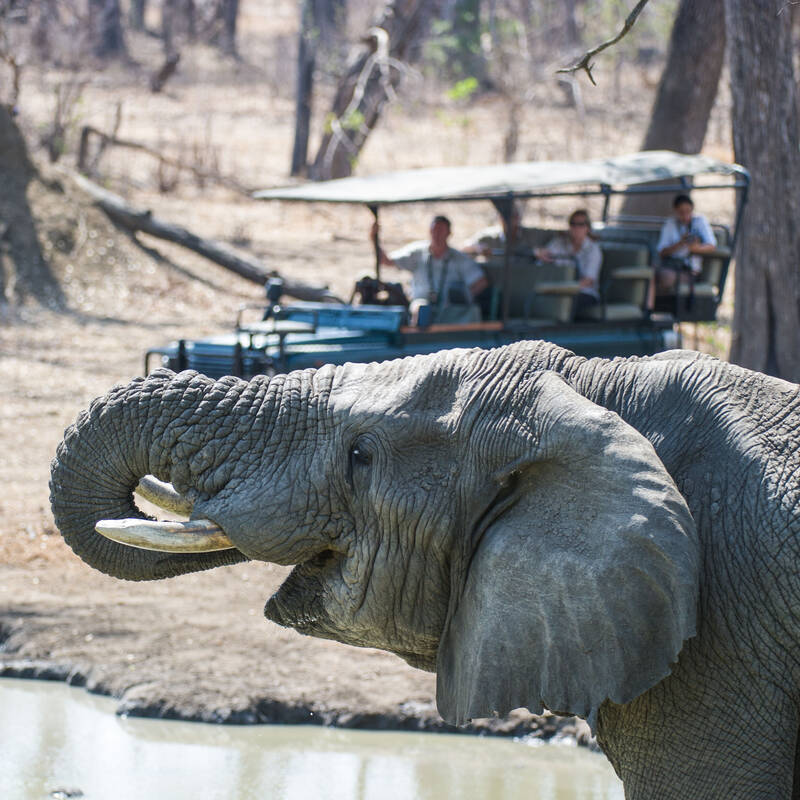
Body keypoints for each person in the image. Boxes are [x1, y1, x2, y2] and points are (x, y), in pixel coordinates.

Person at [370, 215, 488, 324]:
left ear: (449, 233)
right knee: (421, 309)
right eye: (434, 230)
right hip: (421, 303)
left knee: (468, 312)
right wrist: (374, 239)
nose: (437, 235)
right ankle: (416, 337)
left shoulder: (459, 258)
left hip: (448, 309)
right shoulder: (417, 252)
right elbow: (386, 261)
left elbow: (480, 282)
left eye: (441, 231)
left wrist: (464, 296)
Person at [534, 209, 602, 319]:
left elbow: (588, 281)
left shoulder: (593, 250)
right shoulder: (560, 243)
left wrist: (567, 288)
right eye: (573, 224)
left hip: (584, 293)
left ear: (587, 228)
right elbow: (544, 255)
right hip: (559, 290)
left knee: (566, 303)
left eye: (581, 224)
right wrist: (538, 253)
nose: (576, 228)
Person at [655, 194, 717, 299]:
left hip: (689, 270)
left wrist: (695, 248)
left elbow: (712, 246)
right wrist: (680, 243)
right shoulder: (671, 223)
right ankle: (648, 309)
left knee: (663, 276)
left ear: (692, 209)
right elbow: (661, 252)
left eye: (688, 211)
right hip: (670, 264)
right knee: (651, 273)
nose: (685, 216)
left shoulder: (699, 222)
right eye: (681, 212)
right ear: (675, 211)